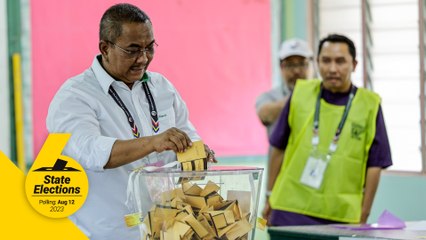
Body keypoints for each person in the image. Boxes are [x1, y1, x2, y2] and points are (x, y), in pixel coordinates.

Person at [46, 3, 216, 240]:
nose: (143, 58)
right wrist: (154, 142)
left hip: (164, 230)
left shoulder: (162, 87)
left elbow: (187, 135)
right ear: (105, 48)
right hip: (105, 233)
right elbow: (89, 151)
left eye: (149, 48)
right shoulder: (75, 95)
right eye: (132, 50)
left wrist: (198, 153)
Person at [263, 34, 392, 226]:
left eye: (340, 61)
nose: (332, 68)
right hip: (290, 207)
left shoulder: (369, 104)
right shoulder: (301, 93)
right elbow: (278, 148)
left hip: (341, 214)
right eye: (326, 61)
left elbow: (375, 164)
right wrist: (270, 196)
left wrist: (364, 214)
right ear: (317, 63)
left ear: (354, 64)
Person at [255, 38, 312, 138]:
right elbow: (264, 114)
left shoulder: (321, 93)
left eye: (302, 64)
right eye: (290, 65)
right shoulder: (270, 96)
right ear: (281, 67)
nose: (296, 71)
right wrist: (299, 96)